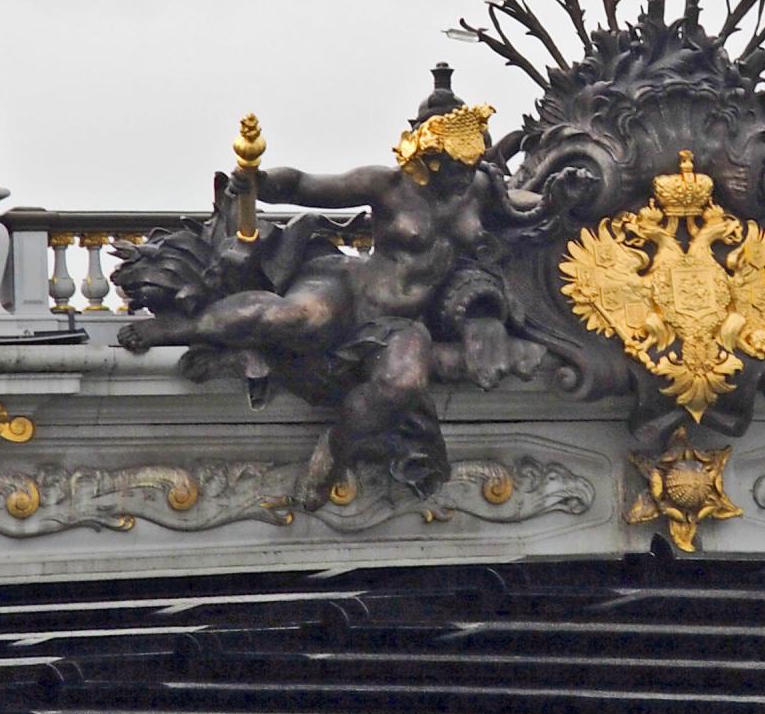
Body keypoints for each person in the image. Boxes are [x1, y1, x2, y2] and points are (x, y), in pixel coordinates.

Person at [118, 101, 590, 507]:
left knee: (404, 381)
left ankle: (335, 450)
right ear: (429, 161)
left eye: (471, 166)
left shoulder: (477, 188)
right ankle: (180, 329)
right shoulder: (387, 186)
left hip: (401, 322)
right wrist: (259, 181)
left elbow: (524, 208)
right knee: (293, 316)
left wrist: (562, 197)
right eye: (455, 168)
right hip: (349, 290)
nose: (464, 177)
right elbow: (306, 185)